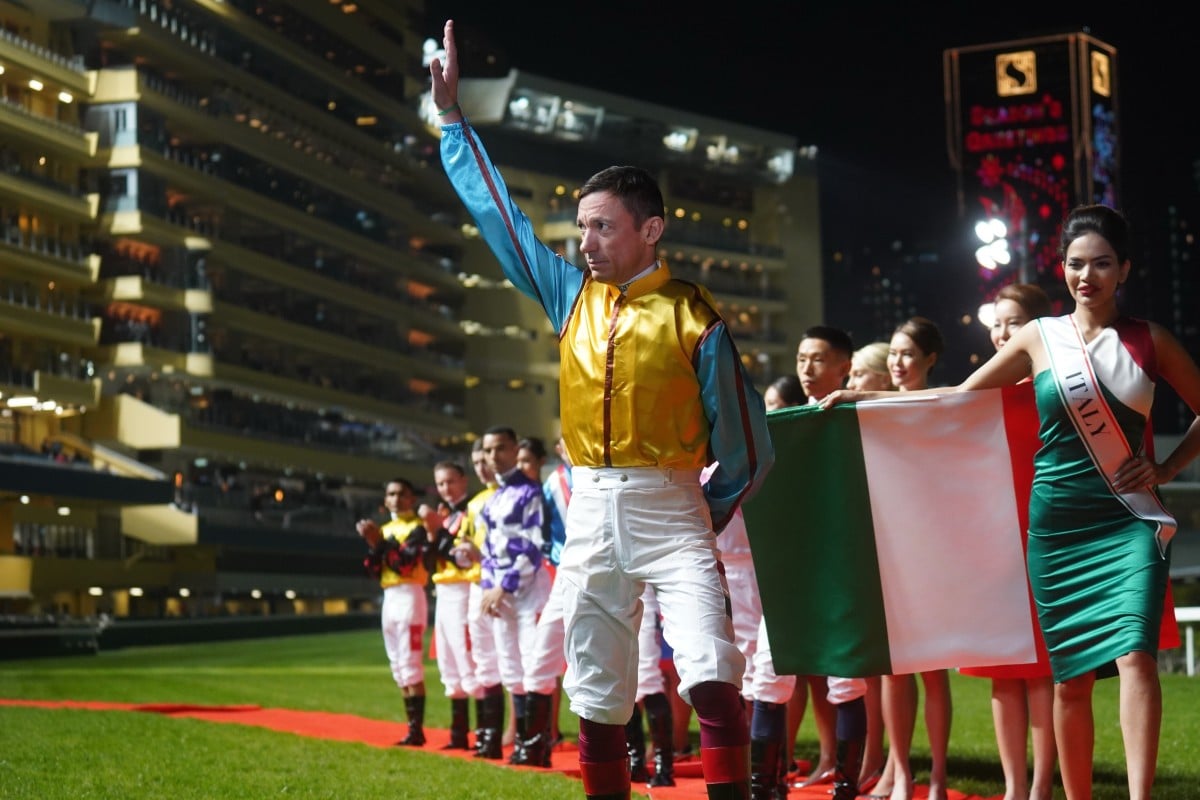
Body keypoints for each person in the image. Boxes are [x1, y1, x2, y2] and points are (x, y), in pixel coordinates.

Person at [431, 20, 775, 798]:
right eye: (582, 225)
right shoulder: (568, 296)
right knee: (595, 697)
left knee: (714, 671)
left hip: (674, 507)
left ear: (650, 230)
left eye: (603, 226)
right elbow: (502, 221)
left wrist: (699, 508)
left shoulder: (695, 315)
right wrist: (454, 122)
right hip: (589, 511)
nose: (586, 240)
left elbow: (748, 443)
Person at [823, 204, 1200, 800]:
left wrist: (1169, 466)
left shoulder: (1150, 341)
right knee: (1071, 680)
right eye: (1076, 264)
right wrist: (864, 403)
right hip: (1057, 529)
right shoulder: (1040, 336)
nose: (1087, 276)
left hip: (1129, 519)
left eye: (1102, 263)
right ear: (1063, 268)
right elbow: (958, 399)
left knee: (1136, 658)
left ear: (1123, 269)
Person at [957, 282, 1058, 800]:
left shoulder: (1057, 392)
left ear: (1038, 328)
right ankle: (1015, 789)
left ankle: (1041, 787)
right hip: (990, 547)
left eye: (1012, 322)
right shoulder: (979, 392)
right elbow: (936, 407)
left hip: (1044, 541)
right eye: (995, 324)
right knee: (1002, 672)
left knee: (1041, 672)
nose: (1001, 334)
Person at [859, 316, 953, 800]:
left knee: (931, 667)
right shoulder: (872, 409)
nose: (897, 363)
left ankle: (935, 775)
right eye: (893, 353)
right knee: (893, 667)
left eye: (908, 354)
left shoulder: (942, 403)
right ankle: (900, 771)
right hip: (887, 544)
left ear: (930, 361)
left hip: (931, 548)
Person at [475, 426, 553, 766]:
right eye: (489, 451)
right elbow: (489, 550)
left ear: (514, 449)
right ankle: (523, 744)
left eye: (501, 449)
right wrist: (489, 588)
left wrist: (502, 586)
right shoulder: (494, 498)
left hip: (527, 591)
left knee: (535, 664)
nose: (494, 456)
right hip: (500, 595)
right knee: (510, 667)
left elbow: (534, 547)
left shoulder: (530, 492)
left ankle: (538, 747)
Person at [355, 478, 435, 747]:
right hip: (389, 597)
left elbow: (404, 564)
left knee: (411, 664)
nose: (396, 499)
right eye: (391, 494)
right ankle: (412, 728)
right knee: (398, 666)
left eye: (402, 494)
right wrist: (375, 543)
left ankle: (417, 729)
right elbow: (374, 569)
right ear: (385, 499)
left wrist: (378, 543)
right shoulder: (385, 529)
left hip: (411, 595)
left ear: (412, 499)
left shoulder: (418, 529)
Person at [424, 460, 483, 751]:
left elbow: (462, 556)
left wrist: (439, 532)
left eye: (450, 481)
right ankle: (458, 735)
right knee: (448, 661)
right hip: (443, 591)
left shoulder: (473, 509)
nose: (445, 488)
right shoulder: (444, 515)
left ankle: (485, 734)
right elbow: (431, 559)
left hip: (463, 589)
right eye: (440, 483)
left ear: (464, 480)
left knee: (467, 656)